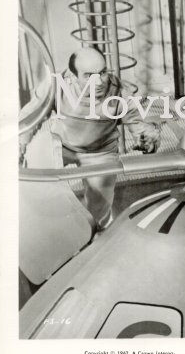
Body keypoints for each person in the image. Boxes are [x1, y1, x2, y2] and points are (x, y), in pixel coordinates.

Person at [20, 48, 162, 231]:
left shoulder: (119, 91)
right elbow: (29, 118)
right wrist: (19, 145)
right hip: (62, 145)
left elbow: (140, 126)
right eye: (88, 76)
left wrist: (149, 139)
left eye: (102, 72)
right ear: (73, 76)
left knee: (98, 213)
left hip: (100, 151)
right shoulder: (56, 84)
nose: (99, 82)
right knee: (35, 174)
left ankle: (96, 235)